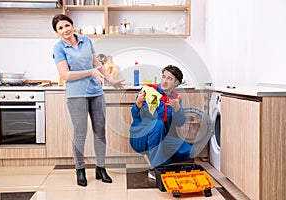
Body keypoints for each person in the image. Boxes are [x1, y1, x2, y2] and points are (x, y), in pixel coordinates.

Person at [51, 14, 124, 187]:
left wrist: (110, 80)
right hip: (76, 94)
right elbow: (65, 75)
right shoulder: (59, 48)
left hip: (95, 91)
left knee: (100, 131)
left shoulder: (86, 41)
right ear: (56, 32)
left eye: (67, 25)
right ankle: (80, 169)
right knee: (80, 133)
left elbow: (96, 63)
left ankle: (101, 168)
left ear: (72, 25)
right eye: (60, 28)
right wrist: (90, 72)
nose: (65, 30)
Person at [129, 65, 195, 178]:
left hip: (162, 139)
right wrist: (138, 104)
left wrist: (177, 109)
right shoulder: (149, 90)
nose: (165, 81)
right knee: (157, 124)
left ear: (176, 83)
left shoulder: (176, 98)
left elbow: (180, 123)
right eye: (164, 77)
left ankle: (158, 160)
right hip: (140, 137)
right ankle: (154, 168)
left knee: (191, 151)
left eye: (169, 78)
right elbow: (135, 115)